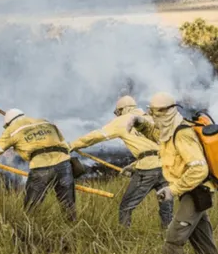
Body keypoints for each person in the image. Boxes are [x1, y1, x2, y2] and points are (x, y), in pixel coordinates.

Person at [123, 92, 218, 254]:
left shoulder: (182, 135)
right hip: (192, 192)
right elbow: (155, 133)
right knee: (201, 238)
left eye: (154, 113)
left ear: (165, 112)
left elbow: (199, 168)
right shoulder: (169, 130)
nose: (152, 117)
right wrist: (138, 122)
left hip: (197, 191)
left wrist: (172, 190)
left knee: (173, 240)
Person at [69, 95, 173, 230]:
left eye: (117, 112)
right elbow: (154, 149)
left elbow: (96, 136)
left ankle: (123, 236)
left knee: (126, 207)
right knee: (166, 206)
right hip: (166, 166)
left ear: (123, 109)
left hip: (148, 169)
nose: (117, 115)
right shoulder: (150, 118)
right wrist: (134, 165)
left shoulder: (123, 120)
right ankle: (169, 236)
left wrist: (72, 145)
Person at [0, 108, 77, 221]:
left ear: (8, 123)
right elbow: (62, 141)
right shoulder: (45, 121)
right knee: (68, 204)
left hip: (41, 168)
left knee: (32, 207)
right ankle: (72, 226)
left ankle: (29, 232)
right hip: (64, 165)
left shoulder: (12, 130)